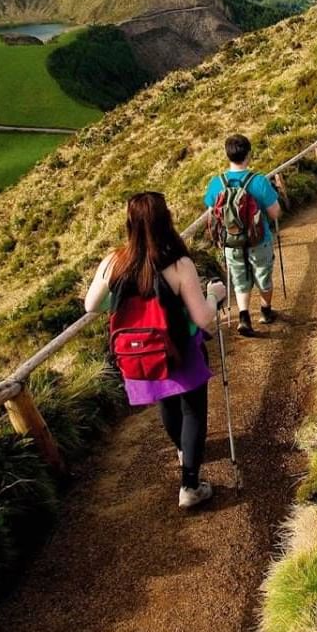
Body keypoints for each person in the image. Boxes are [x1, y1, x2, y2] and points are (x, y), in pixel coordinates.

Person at [85, 191, 227, 510]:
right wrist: (214, 296)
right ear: (167, 220)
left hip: (140, 352)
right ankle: (190, 485)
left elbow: (90, 305)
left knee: (167, 402)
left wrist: (128, 308)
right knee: (193, 410)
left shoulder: (113, 261)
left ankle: (182, 452)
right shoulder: (178, 263)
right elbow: (204, 319)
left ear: (129, 223)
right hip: (180, 349)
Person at [204, 134, 283, 337]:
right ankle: (265, 311)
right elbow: (275, 213)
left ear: (227, 155)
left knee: (240, 280)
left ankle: (244, 317)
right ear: (249, 154)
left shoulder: (216, 183)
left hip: (231, 242)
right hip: (259, 240)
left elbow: (213, 214)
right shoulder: (259, 181)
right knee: (263, 276)